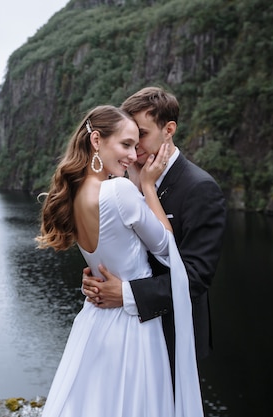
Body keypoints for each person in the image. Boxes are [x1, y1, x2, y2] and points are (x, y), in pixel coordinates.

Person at [36, 105, 202, 416]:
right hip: (132, 325)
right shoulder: (119, 191)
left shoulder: (70, 194)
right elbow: (168, 249)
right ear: (96, 140)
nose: (132, 155)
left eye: (135, 145)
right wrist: (149, 187)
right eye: (125, 145)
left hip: (95, 321)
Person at [82, 87, 227, 378]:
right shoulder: (121, 178)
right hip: (124, 334)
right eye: (130, 138)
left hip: (174, 334)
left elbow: (196, 277)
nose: (134, 150)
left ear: (169, 129)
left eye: (143, 136)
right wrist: (96, 277)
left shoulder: (199, 188)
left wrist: (124, 294)